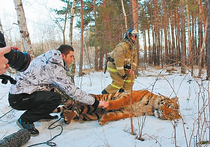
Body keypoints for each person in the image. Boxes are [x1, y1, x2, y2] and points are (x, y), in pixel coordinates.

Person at [8, 44, 109, 136]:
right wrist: (95, 102)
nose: (72, 60)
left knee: (51, 91)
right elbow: (71, 90)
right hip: (19, 98)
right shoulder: (54, 65)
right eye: (71, 56)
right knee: (55, 98)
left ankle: (41, 114)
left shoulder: (50, 58)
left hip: (24, 94)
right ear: (63, 56)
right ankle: (25, 120)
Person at [102, 28, 138, 94]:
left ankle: (123, 94)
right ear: (128, 36)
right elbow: (119, 62)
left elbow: (134, 59)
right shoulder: (121, 47)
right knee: (118, 82)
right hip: (114, 66)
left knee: (131, 78)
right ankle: (105, 94)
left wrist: (132, 68)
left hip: (122, 66)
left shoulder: (132, 47)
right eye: (132, 36)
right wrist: (123, 74)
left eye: (135, 37)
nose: (134, 38)